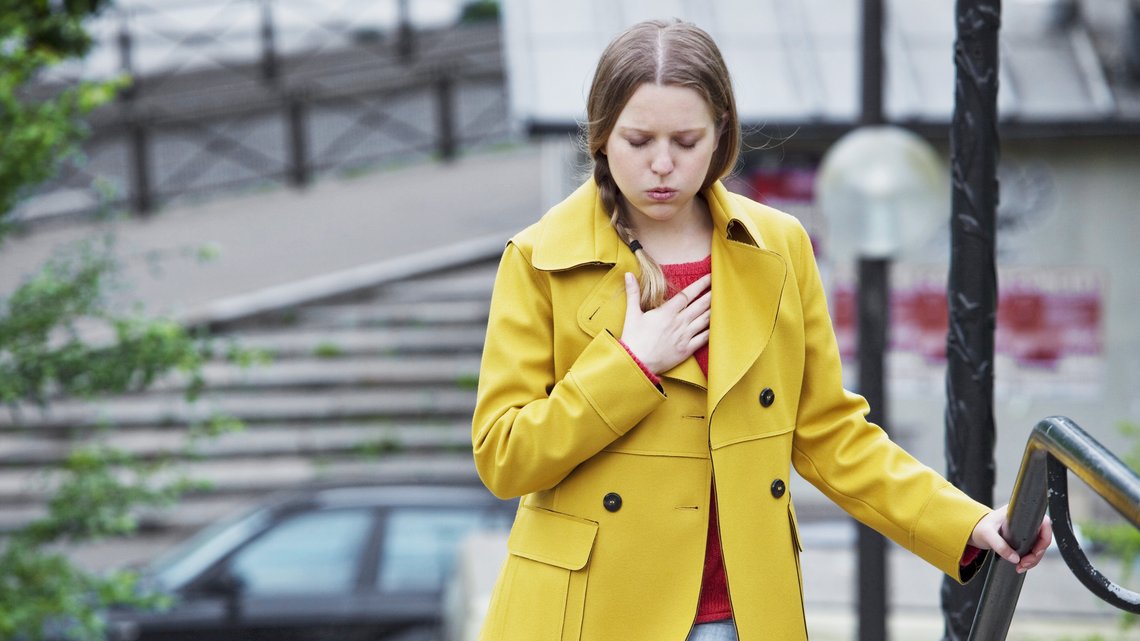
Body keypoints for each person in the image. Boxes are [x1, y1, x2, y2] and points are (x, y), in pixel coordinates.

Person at [470, 18, 1051, 641]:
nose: (662, 165)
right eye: (638, 141)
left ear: (721, 136)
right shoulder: (540, 259)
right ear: (602, 136)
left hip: (742, 613)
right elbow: (504, 456)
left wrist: (963, 523)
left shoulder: (777, 247)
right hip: (591, 614)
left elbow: (830, 434)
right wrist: (628, 367)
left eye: (686, 141)